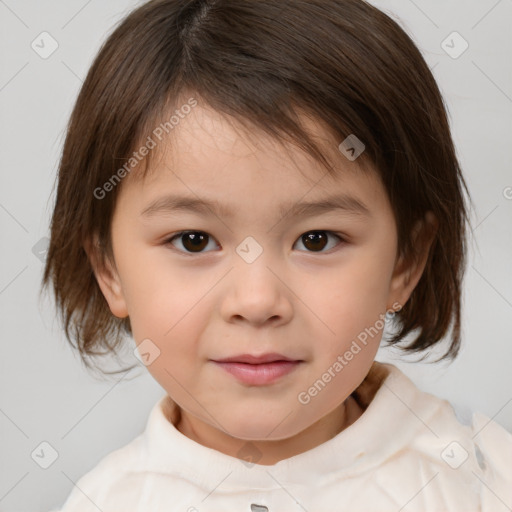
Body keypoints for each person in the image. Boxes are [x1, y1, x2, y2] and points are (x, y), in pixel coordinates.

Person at [42, 0, 512, 510]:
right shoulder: (104, 502)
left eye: (317, 239)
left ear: (405, 262)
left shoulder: (481, 485)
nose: (258, 300)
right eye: (194, 240)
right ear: (109, 269)